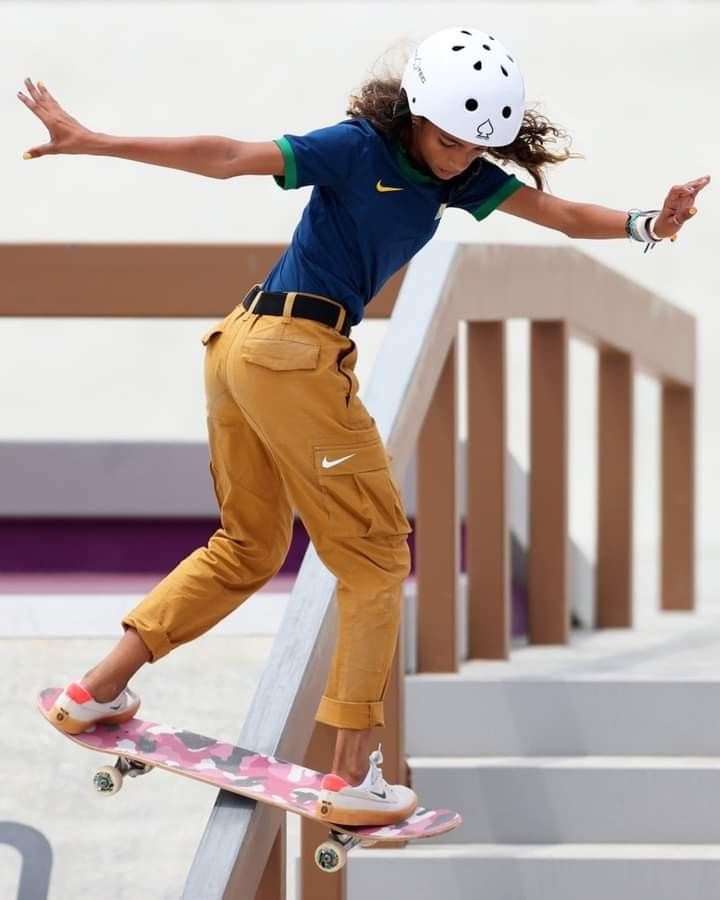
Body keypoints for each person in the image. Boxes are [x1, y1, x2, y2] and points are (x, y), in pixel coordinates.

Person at [18, 26, 709, 827]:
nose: (455, 158)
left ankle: (92, 693)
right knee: (378, 559)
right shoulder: (354, 147)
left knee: (248, 548)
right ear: (415, 111)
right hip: (290, 356)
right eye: (447, 140)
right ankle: (350, 775)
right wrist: (95, 140)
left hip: (243, 349)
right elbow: (230, 156)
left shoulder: (457, 181)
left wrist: (649, 224)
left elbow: (554, 212)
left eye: (472, 147)